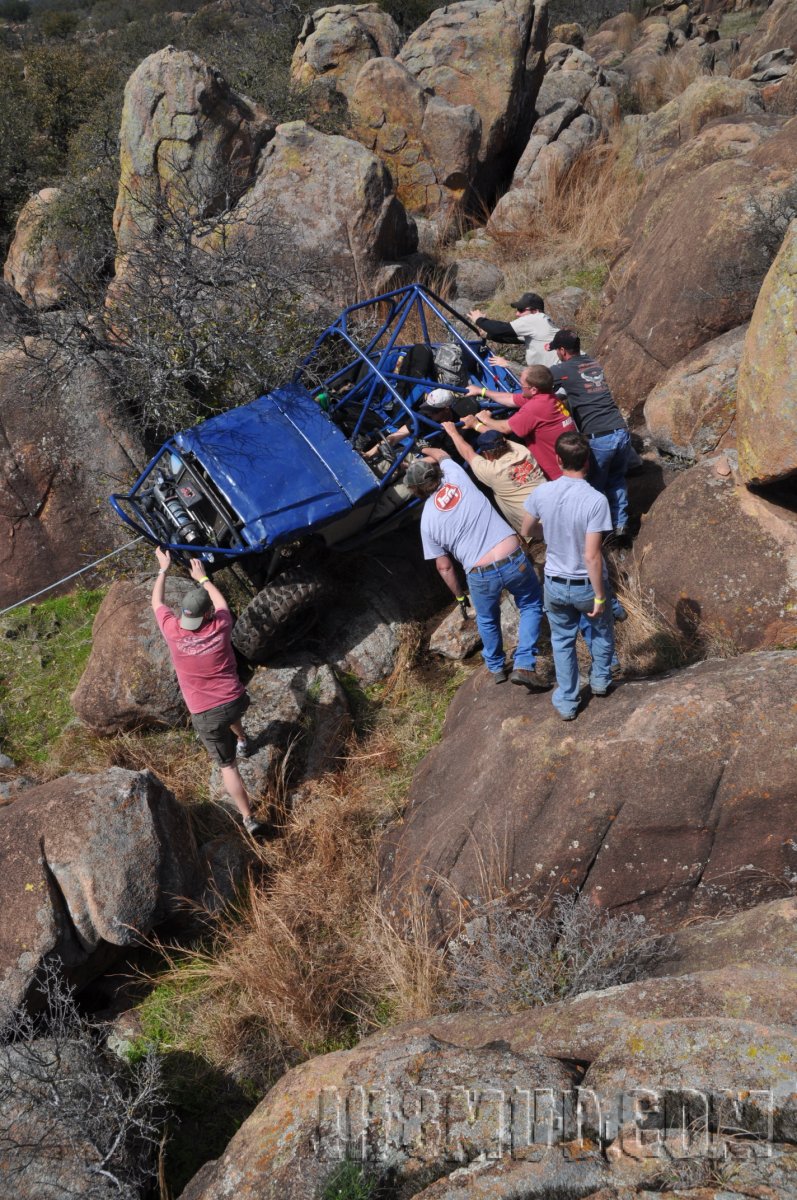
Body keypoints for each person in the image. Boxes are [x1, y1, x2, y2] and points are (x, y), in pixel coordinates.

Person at [405, 448, 547, 689]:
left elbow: (445, 566)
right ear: (436, 472)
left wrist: (460, 596)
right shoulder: (455, 474)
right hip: (512, 557)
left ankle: (496, 666)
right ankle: (524, 663)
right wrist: (422, 450)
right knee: (531, 604)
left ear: (416, 489)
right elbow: (441, 453)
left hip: (479, 572)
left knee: (487, 619)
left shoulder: (427, 521)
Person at [151, 549, 264, 835]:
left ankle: (248, 818)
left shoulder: (174, 633)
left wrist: (163, 569)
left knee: (228, 767)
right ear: (208, 615)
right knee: (229, 713)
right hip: (236, 700)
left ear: (185, 615)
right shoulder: (221, 626)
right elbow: (222, 603)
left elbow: (156, 603)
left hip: (205, 712)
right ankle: (243, 739)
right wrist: (203, 579)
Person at [521, 432, 615, 721]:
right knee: (600, 631)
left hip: (554, 583)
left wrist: (547, 532)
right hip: (585, 584)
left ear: (558, 459)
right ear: (587, 460)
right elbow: (592, 556)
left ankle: (568, 701)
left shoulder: (542, 492)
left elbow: (527, 530)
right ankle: (599, 681)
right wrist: (600, 595)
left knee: (562, 642)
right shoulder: (595, 500)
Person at [547, 330, 632, 538]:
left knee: (593, 486)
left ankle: (597, 533)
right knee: (617, 479)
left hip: (599, 436)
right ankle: (620, 525)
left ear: (562, 350)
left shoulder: (563, 369)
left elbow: (539, 381)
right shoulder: (592, 362)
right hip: (620, 430)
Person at [463, 364, 576, 481]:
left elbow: (504, 428)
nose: (521, 388)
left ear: (533, 390)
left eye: (522, 385)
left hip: (558, 475)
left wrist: (482, 420)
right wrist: (481, 391)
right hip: (573, 466)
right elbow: (511, 399)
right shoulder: (547, 396)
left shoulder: (535, 407)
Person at [440, 420, 544, 535]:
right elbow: (498, 438)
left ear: (487, 454)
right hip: (555, 509)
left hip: (535, 530)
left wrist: (453, 432)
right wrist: (475, 423)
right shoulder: (522, 451)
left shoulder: (492, 471)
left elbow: (468, 453)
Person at [468, 293, 560, 367]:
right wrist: (487, 335)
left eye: (521, 310)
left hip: (553, 379)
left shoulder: (537, 318)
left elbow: (501, 329)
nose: (517, 314)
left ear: (535, 311)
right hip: (550, 376)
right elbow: (510, 338)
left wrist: (479, 320)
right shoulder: (540, 324)